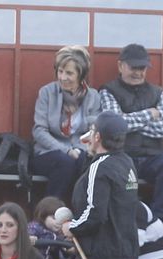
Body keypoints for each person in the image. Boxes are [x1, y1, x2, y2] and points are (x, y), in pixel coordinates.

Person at [63, 111, 138, 259]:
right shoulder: (127, 163)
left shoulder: (100, 167)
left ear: (97, 137)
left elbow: (95, 214)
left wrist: (71, 227)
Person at [97, 43, 163, 218]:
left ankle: (159, 219)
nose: (138, 72)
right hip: (122, 155)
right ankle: (122, 219)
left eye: (142, 67)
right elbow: (114, 125)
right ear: (120, 66)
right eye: (133, 67)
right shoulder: (107, 91)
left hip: (152, 157)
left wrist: (128, 123)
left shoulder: (157, 92)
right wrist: (149, 114)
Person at [32, 45, 103, 199]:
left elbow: (94, 130)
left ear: (80, 75)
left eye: (69, 73)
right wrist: (66, 150)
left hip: (81, 150)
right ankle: (51, 213)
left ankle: (82, 213)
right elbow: (39, 131)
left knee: (87, 162)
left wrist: (78, 149)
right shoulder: (47, 93)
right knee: (64, 163)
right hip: (48, 152)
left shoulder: (93, 97)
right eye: (60, 71)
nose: (63, 77)